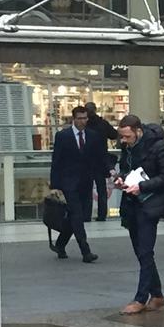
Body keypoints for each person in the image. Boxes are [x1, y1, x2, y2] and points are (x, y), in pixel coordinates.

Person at [115, 114, 164, 315]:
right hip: (133, 203)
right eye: (121, 137)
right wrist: (121, 179)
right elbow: (124, 167)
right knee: (141, 251)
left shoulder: (159, 147)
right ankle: (157, 295)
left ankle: (141, 298)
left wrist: (141, 186)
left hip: (151, 204)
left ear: (138, 131)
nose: (124, 141)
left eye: (127, 137)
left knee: (145, 251)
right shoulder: (127, 148)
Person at [48, 105, 99, 263]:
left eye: (85, 118)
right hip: (68, 183)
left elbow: (98, 159)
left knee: (77, 216)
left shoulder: (92, 135)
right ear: (73, 119)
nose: (83, 121)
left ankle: (61, 243)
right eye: (80, 118)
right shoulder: (63, 136)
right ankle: (85, 251)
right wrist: (55, 185)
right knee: (76, 215)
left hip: (85, 182)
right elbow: (56, 161)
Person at [84, 101, 118, 220]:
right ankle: (102, 214)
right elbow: (114, 135)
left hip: (86, 160)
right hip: (101, 159)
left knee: (87, 189)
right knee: (101, 188)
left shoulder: (84, 125)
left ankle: (86, 215)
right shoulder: (102, 123)